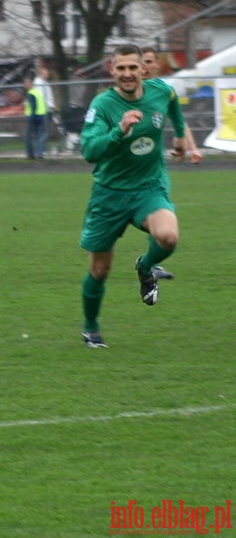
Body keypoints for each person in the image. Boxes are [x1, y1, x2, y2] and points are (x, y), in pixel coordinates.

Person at [78, 43, 196, 348]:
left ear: (143, 69)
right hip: (109, 195)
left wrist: (181, 134)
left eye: (133, 67)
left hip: (148, 187)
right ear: (111, 70)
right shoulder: (102, 105)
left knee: (168, 237)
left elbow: (172, 102)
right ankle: (91, 329)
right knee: (100, 269)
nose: (127, 74)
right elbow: (89, 151)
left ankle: (145, 267)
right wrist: (119, 131)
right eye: (121, 68)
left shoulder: (160, 90)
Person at [141, 46, 203, 165]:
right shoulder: (125, 91)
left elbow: (180, 122)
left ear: (157, 64)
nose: (144, 66)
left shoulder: (164, 91)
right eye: (140, 62)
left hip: (153, 160)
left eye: (148, 61)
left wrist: (193, 148)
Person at [23, 75, 48, 159]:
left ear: (30, 84)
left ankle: (30, 154)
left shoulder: (31, 93)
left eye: (26, 84)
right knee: (40, 135)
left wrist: (32, 116)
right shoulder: (38, 92)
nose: (25, 86)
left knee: (28, 136)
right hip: (42, 115)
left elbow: (34, 105)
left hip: (34, 116)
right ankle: (40, 153)